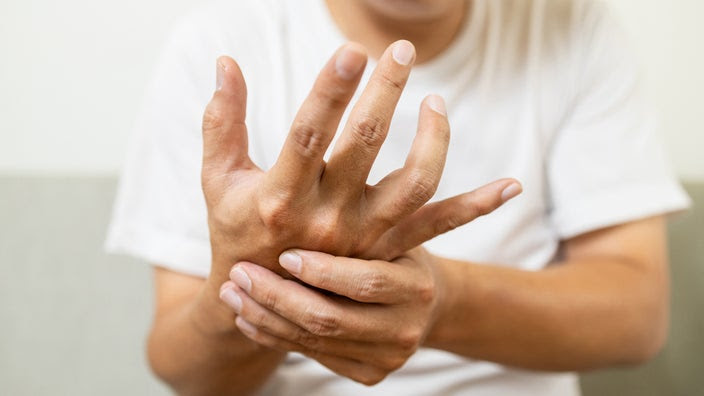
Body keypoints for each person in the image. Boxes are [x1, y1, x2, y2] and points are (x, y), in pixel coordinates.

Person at [106, 0, 691, 394]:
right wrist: (259, 283)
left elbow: (636, 315)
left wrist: (445, 302)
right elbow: (182, 366)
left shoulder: (569, 25)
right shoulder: (225, 40)